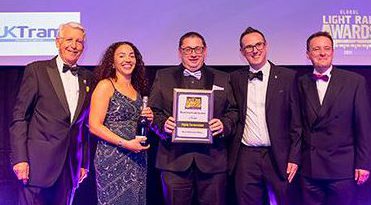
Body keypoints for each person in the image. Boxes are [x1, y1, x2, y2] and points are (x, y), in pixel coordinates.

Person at [149, 32, 238, 205]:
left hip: (213, 162)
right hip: (174, 162)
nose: (193, 54)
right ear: (180, 52)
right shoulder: (163, 77)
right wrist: (163, 125)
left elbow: (233, 111)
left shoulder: (222, 77)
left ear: (205, 51)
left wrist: (223, 125)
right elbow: (154, 112)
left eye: (197, 49)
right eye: (188, 49)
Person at [9, 22, 91, 205]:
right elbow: (20, 117)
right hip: (36, 166)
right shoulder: (37, 70)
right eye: (69, 39)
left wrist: (84, 162)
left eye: (79, 41)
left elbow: (84, 125)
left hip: (70, 168)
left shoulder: (88, 77)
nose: (74, 45)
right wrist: (20, 159)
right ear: (58, 42)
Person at [228, 27, 302, 205]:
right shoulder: (235, 78)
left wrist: (294, 157)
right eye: (249, 47)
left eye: (258, 44)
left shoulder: (288, 77)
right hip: (246, 156)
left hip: (279, 155)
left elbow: (297, 124)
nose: (255, 50)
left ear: (266, 46)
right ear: (242, 52)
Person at [298, 31, 371, 205]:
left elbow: (364, 126)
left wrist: (364, 163)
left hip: (342, 169)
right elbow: (296, 125)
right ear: (308, 54)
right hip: (310, 168)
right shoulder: (300, 82)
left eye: (327, 48)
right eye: (316, 49)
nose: (322, 53)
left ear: (333, 52)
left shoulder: (354, 81)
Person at [89, 41, 153, 205]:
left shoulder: (137, 90)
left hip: (137, 157)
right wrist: (125, 143)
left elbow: (136, 123)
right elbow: (94, 125)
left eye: (132, 55)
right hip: (113, 158)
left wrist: (149, 119)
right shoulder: (106, 85)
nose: (128, 59)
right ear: (112, 62)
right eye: (122, 55)